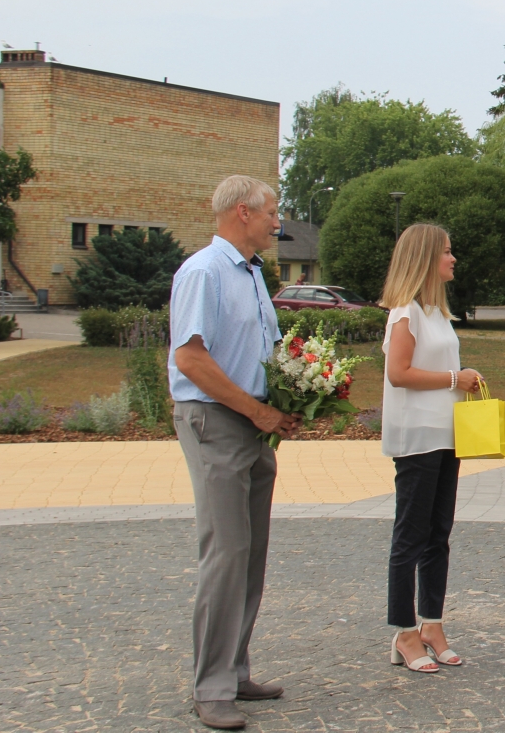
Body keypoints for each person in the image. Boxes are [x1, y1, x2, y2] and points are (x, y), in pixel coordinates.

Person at [170, 176, 301, 730]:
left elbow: (262, 351)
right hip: (219, 422)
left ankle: (234, 668)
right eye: (273, 212)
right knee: (226, 554)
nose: (279, 222)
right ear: (244, 212)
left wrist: (300, 389)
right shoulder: (203, 271)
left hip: (253, 426)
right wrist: (255, 410)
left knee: (249, 554)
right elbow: (190, 359)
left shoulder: (250, 275)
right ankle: (212, 687)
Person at [380, 224, 485, 673]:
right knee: (411, 536)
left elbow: (442, 367)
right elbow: (398, 373)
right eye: (446, 251)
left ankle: (433, 625)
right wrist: (452, 379)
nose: (453, 257)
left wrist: (464, 376)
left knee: (438, 536)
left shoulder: (437, 312)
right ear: (424, 258)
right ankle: (404, 633)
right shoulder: (405, 311)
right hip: (418, 437)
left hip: (447, 434)